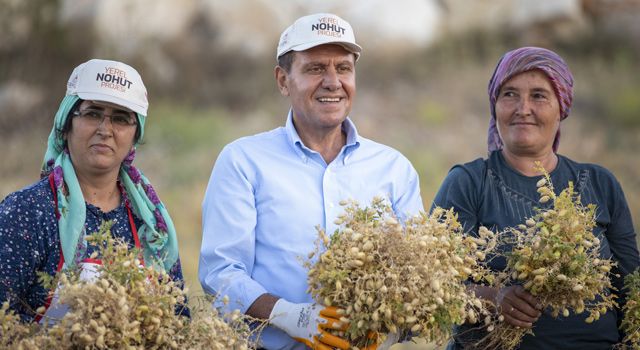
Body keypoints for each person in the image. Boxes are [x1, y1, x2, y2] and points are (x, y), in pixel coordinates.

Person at [199, 13, 423, 350]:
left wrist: (392, 325)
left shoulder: (393, 168)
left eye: (343, 68)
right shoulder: (244, 161)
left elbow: (418, 269)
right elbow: (220, 271)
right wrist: (286, 314)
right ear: (283, 80)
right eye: (315, 68)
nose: (333, 82)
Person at [432, 46, 639, 349]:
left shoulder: (600, 184)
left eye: (539, 95)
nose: (523, 108)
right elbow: (432, 287)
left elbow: (632, 285)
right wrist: (493, 298)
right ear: (495, 106)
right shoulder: (468, 183)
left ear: (561, 107)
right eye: (510, 94)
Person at [0, 59, 186, 322]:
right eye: (92, 113)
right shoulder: (27, 212)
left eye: (121, 119)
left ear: (135, 136)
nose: (105, 130)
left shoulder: (151, 223)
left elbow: (179, 319)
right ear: (66, 125)